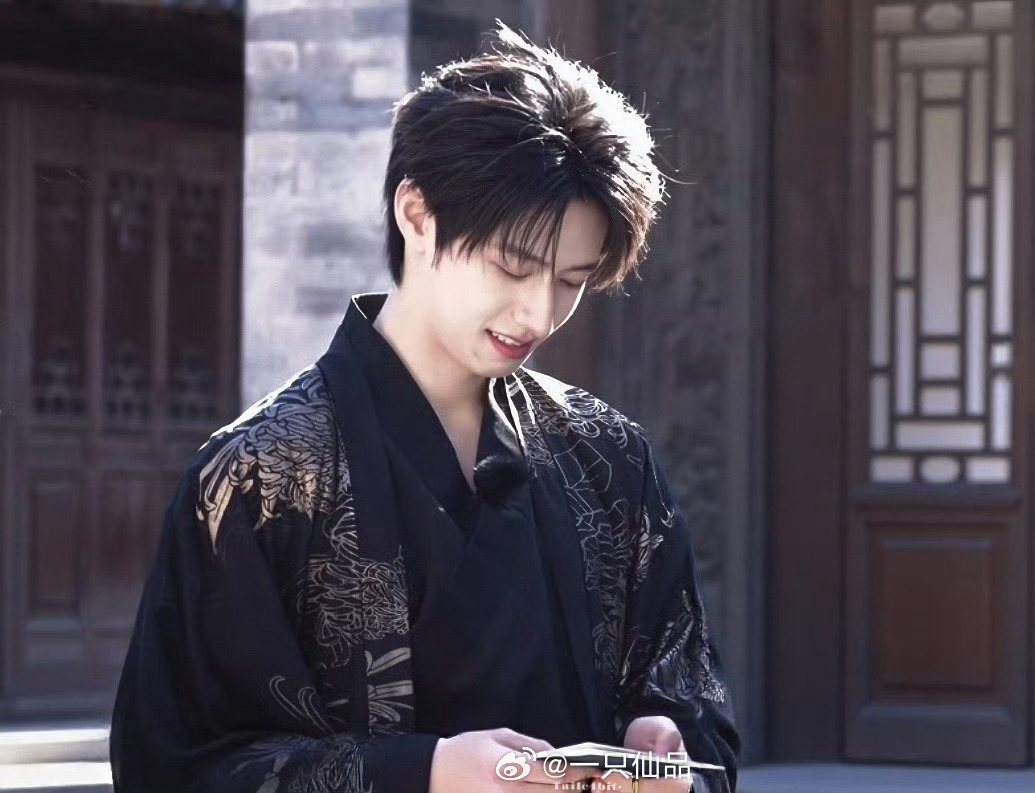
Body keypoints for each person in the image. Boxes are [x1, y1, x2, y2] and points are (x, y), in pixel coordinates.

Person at [109, 24, 739, 793]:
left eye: (571, 280)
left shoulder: (611, 457)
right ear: (416, 212)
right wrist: (427, 771)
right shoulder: (258, 475)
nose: (539, 313)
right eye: (513, 264)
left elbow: (693, 704)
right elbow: (174, 765)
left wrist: (663, 746)